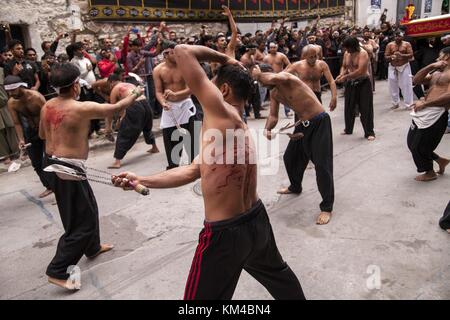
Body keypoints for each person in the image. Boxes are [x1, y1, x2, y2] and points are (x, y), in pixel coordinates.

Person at [112, 45, 305, 300]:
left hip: (225, 233)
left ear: (223, 90)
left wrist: (225, 58)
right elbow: (194, 170)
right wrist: (142, 179)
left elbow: (181, 51)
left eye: (211, 84)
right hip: (255, 221)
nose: (203, 89)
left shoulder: (221, 112)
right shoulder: (234, 124)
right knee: (280, 278)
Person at [39, 63, 145, 290]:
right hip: (66, 167)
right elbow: (118, 107)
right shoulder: (81, 107)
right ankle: (58, 269)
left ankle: (92, 247)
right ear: (76, 85)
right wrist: (136, 92)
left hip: (56, 162)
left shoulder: (47, 104)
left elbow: (41, 134)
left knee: (88, 207)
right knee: (81, 222)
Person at [254, 63, 334, 225]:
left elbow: (275, 77)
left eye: (262, 80)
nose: (261, 84)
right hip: (301, 124)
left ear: (269, 74)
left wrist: (256, 74)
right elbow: (273, 116)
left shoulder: (287, 78)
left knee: (322, 165)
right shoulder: (275, 93)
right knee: (290, 157)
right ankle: (295, 186)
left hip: (319, 122)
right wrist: (268, 129)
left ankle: (326, 207)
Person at [5, 75, 52, 198]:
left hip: (46, 130)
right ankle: (49, 186)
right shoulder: (12, 102)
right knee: (36, 163)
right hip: (31, 133)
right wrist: (21, 139)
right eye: (8, 91)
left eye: (13, 90)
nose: (11, 93)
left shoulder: (35, 97)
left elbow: (49, 116)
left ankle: (60, 189)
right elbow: (17, 123)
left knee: (50, 161)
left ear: (20, 87)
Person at [408, 47, 450, 182]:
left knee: (418, 146)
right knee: (411, 142)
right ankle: (440, 160)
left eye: (440, 57)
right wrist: (430, 66)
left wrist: (425, 104)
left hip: (436, 113)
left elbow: (449, 96)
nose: (437, 59)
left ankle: (429, 172)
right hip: (424, 110)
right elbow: (416, 80)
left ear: (447, 57)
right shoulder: (437, 72)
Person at [153, 41, 196, 169]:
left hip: (186, 105)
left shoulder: (185, 66)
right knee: (171, 140)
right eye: (174, 52)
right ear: (166, 53)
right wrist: (163, 103)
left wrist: (177, 95)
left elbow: (192, 88)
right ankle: (174, 167)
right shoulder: (158, 70)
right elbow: (158, 91)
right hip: (169, 107)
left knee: (192, 141)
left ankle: (195, 166)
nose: (178, 54)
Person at [107, 73, 159, 169]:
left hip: (135, 106)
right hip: (145, 104)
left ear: (112, 82)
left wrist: (108, 128)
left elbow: (111, 110)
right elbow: (125, 106)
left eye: (109, 85)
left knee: (124, 132)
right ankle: (154, 147)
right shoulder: (130, 85)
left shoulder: (115, 89)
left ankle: (117, 161)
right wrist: (120, 119)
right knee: (146, 127)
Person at [336, 37, 375, 141]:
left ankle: (369, 132)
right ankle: (348, 128)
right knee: (349, 107)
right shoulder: (347, 54)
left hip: (363, 82)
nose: (347, 51)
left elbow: (361, 71)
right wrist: (341, 74)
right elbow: (344, 66)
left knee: (365, 108)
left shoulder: (363, 53)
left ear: (355, 46)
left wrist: (345, 77)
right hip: (351, 83)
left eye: (349, 48)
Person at [286, 45, 337, 111]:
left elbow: (331, 81)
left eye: (315, 56)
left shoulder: (322, 64)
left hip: (316, 95)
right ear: (305, 56)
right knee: (302, 120)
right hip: (303, 95)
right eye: (311, 57)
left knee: (318, 118)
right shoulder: (297, 65)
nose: (314, 59)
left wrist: (334, 97)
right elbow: (282, 76)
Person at [385, 31, 414, 110]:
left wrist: (402, 55)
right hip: (392, 66)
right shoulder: (390, 45)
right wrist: (391, 57)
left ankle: (408, 104)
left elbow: (411, 55)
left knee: (406, 85)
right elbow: (386, 56)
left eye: (399, 36)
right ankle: (395, 103)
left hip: (404, 66)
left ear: (403, 36)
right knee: (392, 85)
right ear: (394, 37)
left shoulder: (407, 44)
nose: (398, 37)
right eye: (396, 36)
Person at [0, 68, 19, 164]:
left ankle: (17, 151)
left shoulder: (1, 70)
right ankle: (4, 156)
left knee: (11, 126)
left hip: (5, 104)